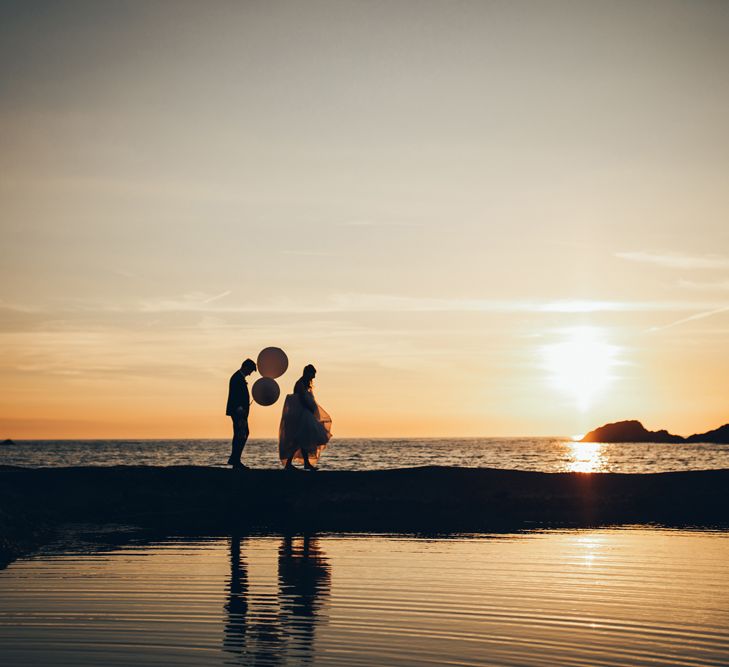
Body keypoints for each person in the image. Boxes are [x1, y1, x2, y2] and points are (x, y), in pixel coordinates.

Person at [279, 364, 332, 471]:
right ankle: (294, 464)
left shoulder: (304, 383)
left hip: (305, 413)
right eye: (313, 374)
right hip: (301, 414)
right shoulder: (300, 384)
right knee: (299, 439)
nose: (314, 377)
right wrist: (310, 408)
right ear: (308, 373)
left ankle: (303, 463)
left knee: (303, 439)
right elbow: (301, 399)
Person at [226, 358, 256, 469]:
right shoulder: (237, 378)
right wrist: (239, 408)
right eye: (251, 370)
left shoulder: (238, 377)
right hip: (238, 411)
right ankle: (235, 459)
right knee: (241, 434)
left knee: (241, 433)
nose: (250, 373)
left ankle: (235, 459)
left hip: (240, 411)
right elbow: (235, 395)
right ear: (246, 367)